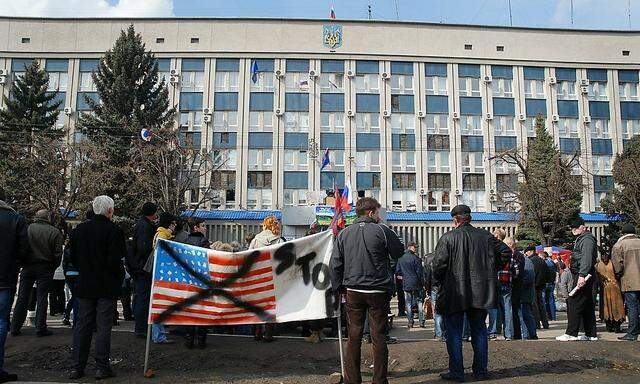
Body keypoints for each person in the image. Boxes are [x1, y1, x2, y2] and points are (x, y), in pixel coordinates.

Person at [431, 205, 511, 382]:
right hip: (480, 292)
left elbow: (438, 266)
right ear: (469, 218)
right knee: (479, 331)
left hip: (454, 293)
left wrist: (440, 281)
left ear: (455, 220)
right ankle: (481, 371)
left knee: (454, 333)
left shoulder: (448, 238)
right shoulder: (485, 236)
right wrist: (492, 268)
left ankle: (457, 372)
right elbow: (506, 252)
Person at [330, 197, 404, 384]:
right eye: (378, 212)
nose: (379, 216)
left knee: (353, 335)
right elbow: (399, 252)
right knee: (378, 336)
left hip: (353, 290)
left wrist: (338, 288)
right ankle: (379, 380)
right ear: (371, 212)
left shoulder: (344, 233)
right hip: (378, 290)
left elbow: (335, 264)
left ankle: (352, 380)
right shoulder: (382, 230)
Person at [68, 196, 125, 380]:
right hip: (106, 286)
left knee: (82, 326)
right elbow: (116, 261)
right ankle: (101, 366)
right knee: (103, 327)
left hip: (85, 284)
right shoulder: (115, 231)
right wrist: (118, 278)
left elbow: (73, 258)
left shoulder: (79, 230)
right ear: (110, 210)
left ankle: (77, 367)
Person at [11, 210, 63, 337]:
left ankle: (15, 326)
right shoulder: (55, 232)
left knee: (23, 297)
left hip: (28, 266)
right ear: (48, 218)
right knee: (42, 298)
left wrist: (22, 263)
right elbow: (57, 254)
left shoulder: (28, 229)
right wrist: (52, 267)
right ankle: (40, 327)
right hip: (45, 267)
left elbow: (20, 246)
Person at [0, 191, 29, 383]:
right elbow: (24, 250)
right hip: (5, 278)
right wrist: (15, 264)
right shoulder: (15, 219)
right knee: (1, 322)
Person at [556, 218, 598, 341]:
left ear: (582, 227)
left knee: (573, 301)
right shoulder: (584, 238)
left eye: (575, 228)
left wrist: (582, 275)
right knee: (587, 304)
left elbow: (586, 257)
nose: (573, 230)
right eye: (572, 228)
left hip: (583, 274)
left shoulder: (587, 239)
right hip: (584, 274)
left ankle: (571, 333)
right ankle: (591, 334)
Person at [249, 216, 284, 342]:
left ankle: (257, 332)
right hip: (272, 277)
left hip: (257, 277)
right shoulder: (279, 240)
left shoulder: (255, 240)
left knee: (257, 305)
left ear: (264, 225)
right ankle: (268, 334)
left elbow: (249, 258)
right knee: (270, 306)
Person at [126, 202, 157, 339]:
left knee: (141, 297)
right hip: (144, 267)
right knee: (143, 298)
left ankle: (141, 327)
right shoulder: (146, 227)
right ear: (153, 213)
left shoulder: (140, 225)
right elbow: (144, 248)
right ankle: (141, 328)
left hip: (140, 266)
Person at [149, 212, 177, 344]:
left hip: (159, 274)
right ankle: (158, 336)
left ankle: (159, 335)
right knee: (160, 306)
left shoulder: (159, 234)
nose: (175, 225)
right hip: (162, 274)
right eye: (173, 223)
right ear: (169, 224)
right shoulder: (163, 236)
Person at [183, 218, 211, 349]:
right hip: (201, 279)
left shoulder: (186, 241)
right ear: (196, 228)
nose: (205, 228)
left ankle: (189, 339)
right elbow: (208, 259)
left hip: (189, 280)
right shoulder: (203, 241)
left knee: (190, 309)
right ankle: (201, 339)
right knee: (201, 309)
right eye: (203, 226)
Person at [611, 223, 640, 341]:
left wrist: (619, 275)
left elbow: (617, 266)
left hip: (629, 281)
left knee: (632, 307)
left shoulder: (619, 245)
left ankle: (632, 333)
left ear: (623, 233)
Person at [489, 231, 515, 340]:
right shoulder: (509, 252)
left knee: (493, 307)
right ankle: (508, 334)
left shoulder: (493, 249)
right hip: (507, 281)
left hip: (495, 280)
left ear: (497, 236)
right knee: (507, 308)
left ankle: (493, 332)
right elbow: (514, 268)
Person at [395, 242, 425, 329]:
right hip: (416, 283)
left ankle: (410, 322)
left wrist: (404, 277)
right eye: (415, 247)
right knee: (419, 302)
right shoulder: (416, 259)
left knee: (408, 303)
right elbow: (420, 273)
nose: (416, 249)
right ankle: (421, 322)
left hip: (406, 283)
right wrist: (423, 284)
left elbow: (398, 272)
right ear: (411, 247)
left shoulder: (401, 259)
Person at [595, 252, 625, 333]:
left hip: (605, 288)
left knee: (607, 308)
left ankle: (610, 327)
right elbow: (619, 272)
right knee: (616, 307)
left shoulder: (598, 265)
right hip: (614, 287)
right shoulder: (612, 263)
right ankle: (616, 327)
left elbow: (597, 278)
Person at [504, 237, 524, 340]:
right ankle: (510, 334)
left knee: (503, 309)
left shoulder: (505, 254)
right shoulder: (515, 256)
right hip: (511, 283)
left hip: (503, 283)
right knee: (510, 309)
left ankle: (510, 333)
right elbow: (517, 271)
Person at [424, 252, 445, 341]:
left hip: (434, 289)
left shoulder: (429, 259)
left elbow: (427, 277)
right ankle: (443, 333)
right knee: (444, 312)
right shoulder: (446, 257)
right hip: (444, 289)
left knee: (437, 312)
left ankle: (438, 334)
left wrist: (428, 290)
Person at [529, 249, 549, 330]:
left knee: (534, 306)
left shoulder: (531, 261)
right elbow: (548, 274)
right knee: (541, 305)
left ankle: (537, 324)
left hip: (533, 285)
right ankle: (545, 323)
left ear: (530, 252)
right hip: (541, 285)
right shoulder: (542, 261)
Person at [543, 252, 558, 321]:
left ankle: (546, 316)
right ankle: (553, 316)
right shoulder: (552, 262)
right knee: (551, 300)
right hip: (552, 283)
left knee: (544, 301)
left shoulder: (544, 263)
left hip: (546, 283)